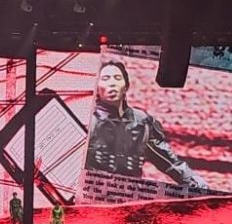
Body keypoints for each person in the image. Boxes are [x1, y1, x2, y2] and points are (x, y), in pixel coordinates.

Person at [86, 60, 210, 192]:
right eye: (105, 79)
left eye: (117, 78)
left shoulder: (142, 122)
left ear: (126, 86)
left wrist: (195, 182)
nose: (112, 83)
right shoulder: (89, 121)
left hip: (130, 196)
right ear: (96, 87)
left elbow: (168, 161)